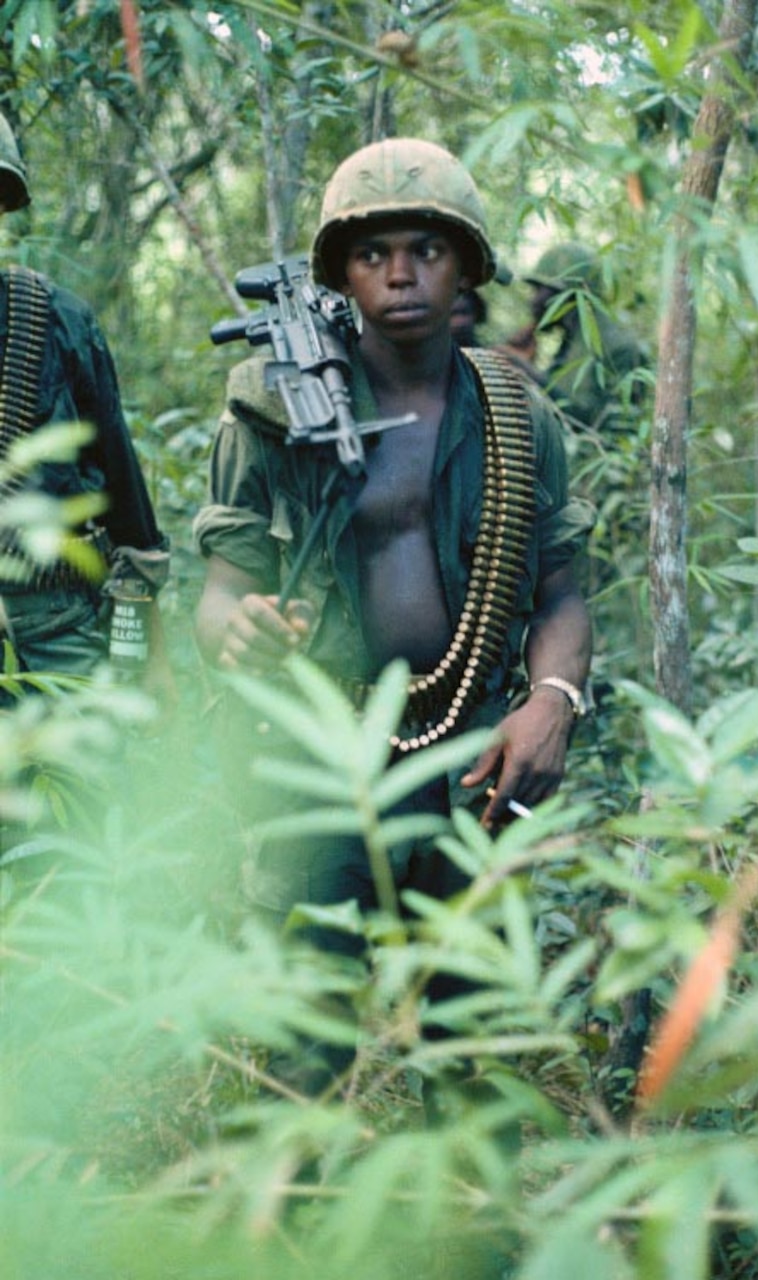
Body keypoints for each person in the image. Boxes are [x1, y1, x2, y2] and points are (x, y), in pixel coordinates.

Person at [193, 137, 593, 1093]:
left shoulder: (515, 411)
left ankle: (466, 1241)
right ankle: (278, 1233)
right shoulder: (274, 403)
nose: (401, 276)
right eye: (373, 255)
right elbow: (220, 589)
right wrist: (237, 627)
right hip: (319, 762)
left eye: (426, 249)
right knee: (301, 1052)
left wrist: (551, 700)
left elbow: (563, 590)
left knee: (474, 1050)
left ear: (466, 266)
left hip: (470, 763)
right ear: (341, 271)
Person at [0, 111, 172, 703]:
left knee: (85, 789)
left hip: (53, 633)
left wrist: (154, 657)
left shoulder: (54, 320)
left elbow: (126, 505)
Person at [500, 241, 647, 432]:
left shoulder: (614, 346)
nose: (533, 300)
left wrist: (526, 372)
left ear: (568, 294)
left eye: (540, 290)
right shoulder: (575, 338)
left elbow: (596, 424)